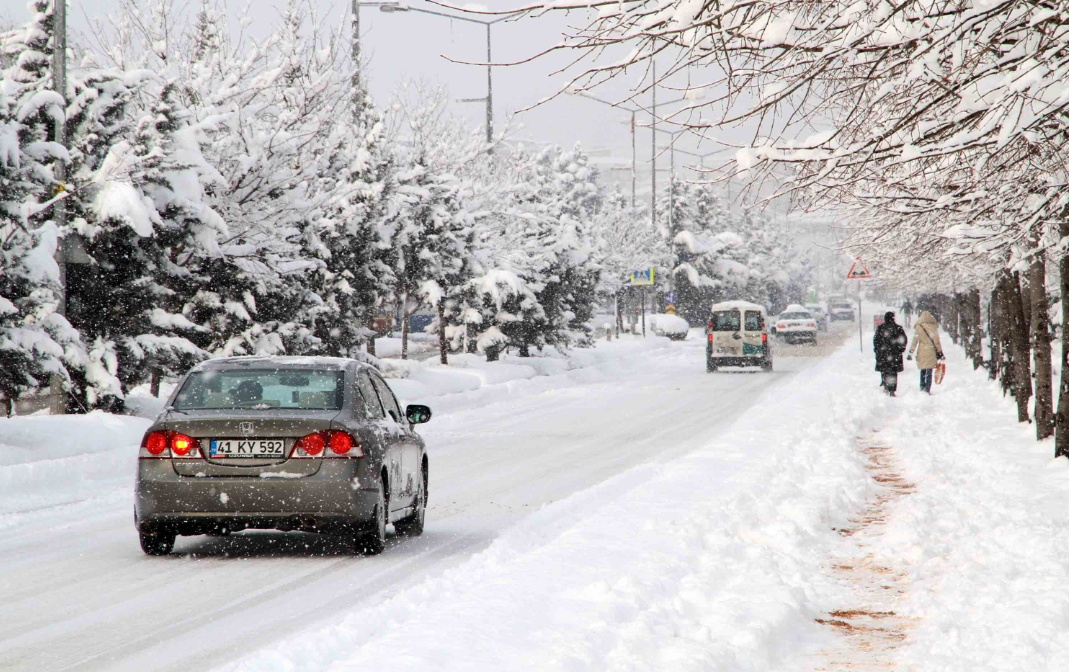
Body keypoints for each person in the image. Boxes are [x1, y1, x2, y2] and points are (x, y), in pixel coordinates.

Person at [907, 310, 944, 394]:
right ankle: (927, 388)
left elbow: (915, 341)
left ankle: (922, 386)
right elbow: (937, 342)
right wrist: (940, 352)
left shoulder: (919, 327)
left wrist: (911, 352)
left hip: (922, 351)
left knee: (923, 369)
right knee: (929, 371)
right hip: (931, 351)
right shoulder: (933, 327)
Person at [874, 311, 908, 396]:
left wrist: (878, 350)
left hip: (884, 354)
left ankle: (886, 385)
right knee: (893, 372)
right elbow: (903, 340)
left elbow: (876, 341)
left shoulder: (881, 328)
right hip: (895, 355)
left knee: (885, 370)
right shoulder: (898, 328)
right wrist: (900, 349)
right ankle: (892, 389)